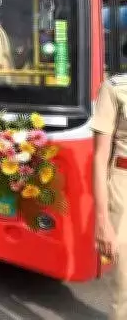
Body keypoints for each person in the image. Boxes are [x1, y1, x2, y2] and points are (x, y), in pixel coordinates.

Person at [92, 75, 127, 319]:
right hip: (123, 186)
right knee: (125, 287)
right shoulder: (115, 88)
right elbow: (100, 158)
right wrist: (102, 221)